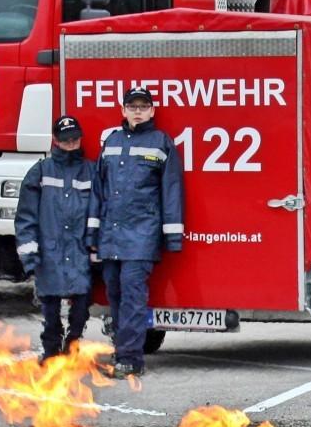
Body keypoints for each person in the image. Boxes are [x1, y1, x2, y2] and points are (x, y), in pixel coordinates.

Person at [90, 87, 184, 379]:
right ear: (123, 110)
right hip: (111, 234)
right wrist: (92, 236)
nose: (138, 111)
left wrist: (172, 236)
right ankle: (122, 351)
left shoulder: (161, 142)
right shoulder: (112, 141)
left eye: (144, 106)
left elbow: (171, 190)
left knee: (132, 295)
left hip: (142, 235)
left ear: (152, 111)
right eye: (133, 106)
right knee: (115, 294)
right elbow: (98, 190)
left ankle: (131, 358)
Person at [15, 115, 97, 361]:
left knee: (81, 307)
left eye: (75, 139)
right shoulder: (40, 172)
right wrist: (30, 256)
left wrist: (96, 248)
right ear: (56, 141)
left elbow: (99, 209)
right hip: (49, 253)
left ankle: (73, 344)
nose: (71, 143)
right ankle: (51, 352)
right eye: (66, 140)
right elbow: (26, 217)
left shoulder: (90, 170)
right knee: (50, 311)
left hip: (80, 251)